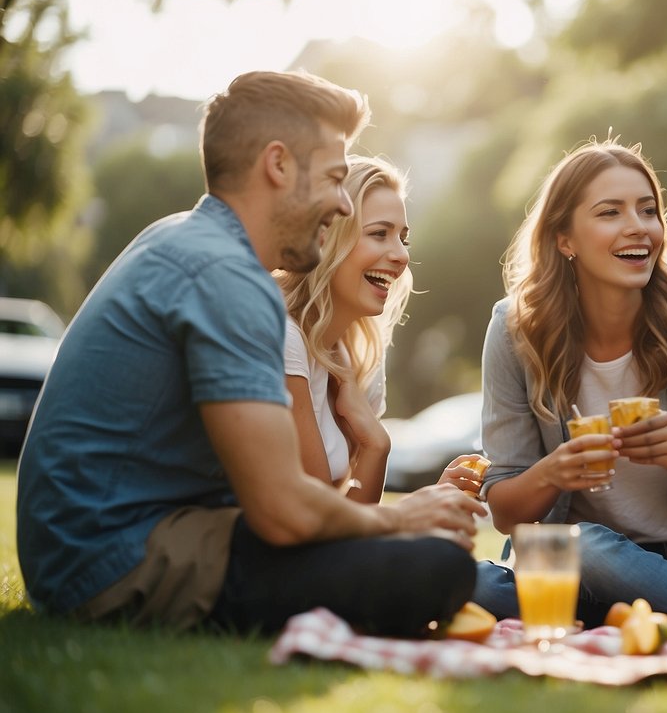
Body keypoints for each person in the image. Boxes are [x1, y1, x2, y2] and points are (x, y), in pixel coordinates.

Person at [16, 71, 481, 636]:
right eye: (335, 178)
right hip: (111, 562)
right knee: (436, 567)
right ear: (278, 164)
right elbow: (283, 509)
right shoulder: (226, 276)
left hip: (114, 542)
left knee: (421, 558)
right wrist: (399, 517)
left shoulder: (186, 238)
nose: (340, 203)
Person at [474, 139, 667, 624]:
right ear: (565, 239)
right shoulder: (513, 330)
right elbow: (506, 512)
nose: (638, 227)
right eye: (610, 212)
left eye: (648, 210)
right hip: (584, 556)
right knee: (570, 551)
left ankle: (624, 611)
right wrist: (553, 473)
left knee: (504, 590)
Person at [274, 154, 486, 505]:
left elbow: (354, 525)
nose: (401, 255)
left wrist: (426, 492)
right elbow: (321, 525)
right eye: (379, 234)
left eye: (403, 238)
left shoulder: (359, 359)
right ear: (326, 240)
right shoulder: (284, 339)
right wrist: (381, 452)